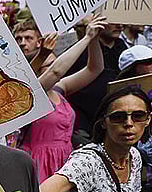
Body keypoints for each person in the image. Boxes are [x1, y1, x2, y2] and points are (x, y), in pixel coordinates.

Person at [20, 16, 107, 181]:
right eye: (49, 64)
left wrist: (94, 39)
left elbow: (95, 69)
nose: (60, 66)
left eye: (55, 61)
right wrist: (86, 37)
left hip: (65, 160)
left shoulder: (60, 89)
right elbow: (56, 72)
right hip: (39, 162)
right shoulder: (33, 93)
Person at [66, 21, 127, 131]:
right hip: (84, 122)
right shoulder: (79, 51)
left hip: (113, 118)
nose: (119, 25)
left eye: (121, 21)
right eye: (113, 22)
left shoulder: (122, 47)